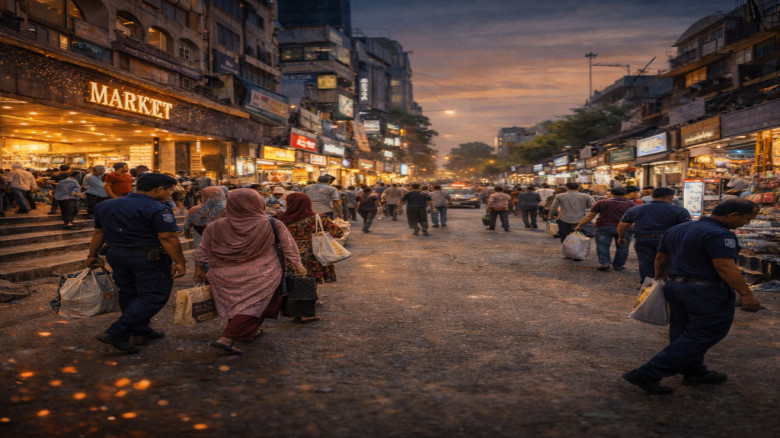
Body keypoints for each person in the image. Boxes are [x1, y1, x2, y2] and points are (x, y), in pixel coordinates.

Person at [623, 199, 761, 394]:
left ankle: (694, 372)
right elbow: (724, 266)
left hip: (676, 286)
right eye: (747, 218)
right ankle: (649, 373)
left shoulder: (678, 229)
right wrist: (746, 294)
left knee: (682, 332)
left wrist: (661, 277)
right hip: (706, 292)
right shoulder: (720, 235)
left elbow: (661, 257)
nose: (746, 223)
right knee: (705, 333)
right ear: (732, 215)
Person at [194, 189, 306, 354]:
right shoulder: (271, 223)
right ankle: (228, 337)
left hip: (223, 274)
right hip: (263, 273)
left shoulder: (214, 226)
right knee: (254, 306)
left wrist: (198, 269)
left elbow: (202, 249)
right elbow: (289, 246)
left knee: (236, 303)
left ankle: (248, 332)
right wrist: (298, 265)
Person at [86, 173, 186, 354]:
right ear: (159, 189)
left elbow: (99, 234)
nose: (170, 195)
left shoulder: (105, 205)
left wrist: (91, 255)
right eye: (170, 190)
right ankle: (117, 331)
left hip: (116, 254)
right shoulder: (158, 208)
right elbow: (168, 237)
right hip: (146, 256)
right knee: (154, 295)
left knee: (129, 292)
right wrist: (180, 262)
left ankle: (140, 330)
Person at [277, 193, 343, 324]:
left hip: (288, 254)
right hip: (311, 254)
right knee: (307, 282)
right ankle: (305, 315)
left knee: (292, 280)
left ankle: (287, 310)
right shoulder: (317, 218)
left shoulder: (281, 218)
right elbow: (338, 232)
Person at [617, 187, 692, 282]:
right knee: (668, 262)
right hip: (667, 240)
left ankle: (648, 286)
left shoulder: (636, 209)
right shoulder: (679, 211)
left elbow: (623, 225)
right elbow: (685, 229)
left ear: (652, 196)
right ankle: (667, 285)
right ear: (670, 197)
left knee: (646, 262)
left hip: (643, 239)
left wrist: (621, 237)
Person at [575, 187, 636, 271]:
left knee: (602, 245)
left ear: (611, 193)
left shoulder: (602, 202)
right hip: (625, 228)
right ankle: (618, 265)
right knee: (623, 247)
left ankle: (605, 263)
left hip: (604, 226)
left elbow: (590, 215)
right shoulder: (632, 205)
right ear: (625, 194)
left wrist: (581, 224)